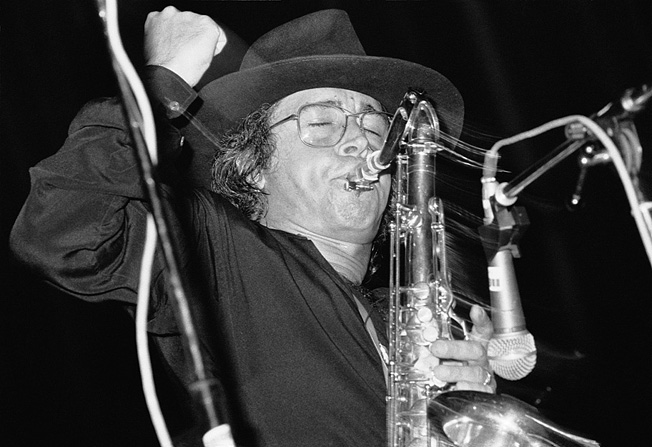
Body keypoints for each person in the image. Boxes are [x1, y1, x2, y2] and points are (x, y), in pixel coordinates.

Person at [10, 6, 495, 447]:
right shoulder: (216, 246)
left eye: (374, 126)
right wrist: (161, 84)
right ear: (252, 166)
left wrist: (469, 419)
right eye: (322, 123)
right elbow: (62, 231)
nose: (362, 143)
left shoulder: (403, 316)